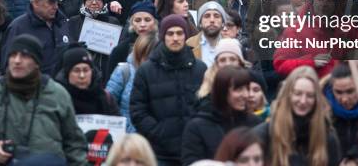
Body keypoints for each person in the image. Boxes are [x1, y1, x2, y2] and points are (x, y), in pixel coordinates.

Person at [0, 34, 87, 165]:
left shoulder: (57, 94)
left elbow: (75, 144)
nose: (17, 61)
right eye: (13, 55)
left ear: (37, 62)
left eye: (24, 56)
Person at [130, 14, 207, 166]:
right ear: (163, 36)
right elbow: (138, 110)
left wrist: (197, 131)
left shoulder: (200, 69)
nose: (175, 38)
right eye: (170, 33)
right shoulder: (147, 70)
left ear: (185, 36)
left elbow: (208, 105)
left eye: (180, 33)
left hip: (194, 150)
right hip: (159, 152)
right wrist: (159, 132)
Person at [254, 66, 341, 166]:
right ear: (288, 94)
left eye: (309, 95)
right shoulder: (264, 134)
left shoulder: (328, 137)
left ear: (316, 99)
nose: (303, 101)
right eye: (298, 93)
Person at [182, 67, 262, 165]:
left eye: (247, 88)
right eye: (239, 89)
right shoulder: (197, 127)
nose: (246, 94)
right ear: (222, 91)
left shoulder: (256, 123)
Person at [1, 0, 71, 75]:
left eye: (56, 2)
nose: (55, 6)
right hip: (32, 86)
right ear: (36, 3)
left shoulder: (62, 22)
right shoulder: (18, 27)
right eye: (50, 2)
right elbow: (7, 65)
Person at [107, 33, 159, 133]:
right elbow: (108, 104)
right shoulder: (124, 71)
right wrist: (124, 127)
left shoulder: (163, 75)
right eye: (145, 55)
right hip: (126, 137)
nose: (149, 60)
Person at [55, 45, 120, 115]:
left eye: (86, 70)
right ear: (67, 73)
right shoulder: (56, 100)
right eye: (76, 71)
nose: (82, 76)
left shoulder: (106, 99)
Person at [108, 0, 158, 76]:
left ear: (155, 22)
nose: (142, 24)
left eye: (147, 20)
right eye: (137, 20)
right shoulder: (121, 50)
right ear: (132, 23)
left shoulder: (162, 47)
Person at [323, 63, 358, 152]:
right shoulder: (321, 116)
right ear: (331, 89)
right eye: (338, 92)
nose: (344, 99)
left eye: (350, 91)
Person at [187, 1, 229, 67]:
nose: (212, 20)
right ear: (200, 23)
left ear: (223, 23)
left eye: (216, 16)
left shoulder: (231, 46)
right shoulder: (189, 45)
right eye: (207, 16)